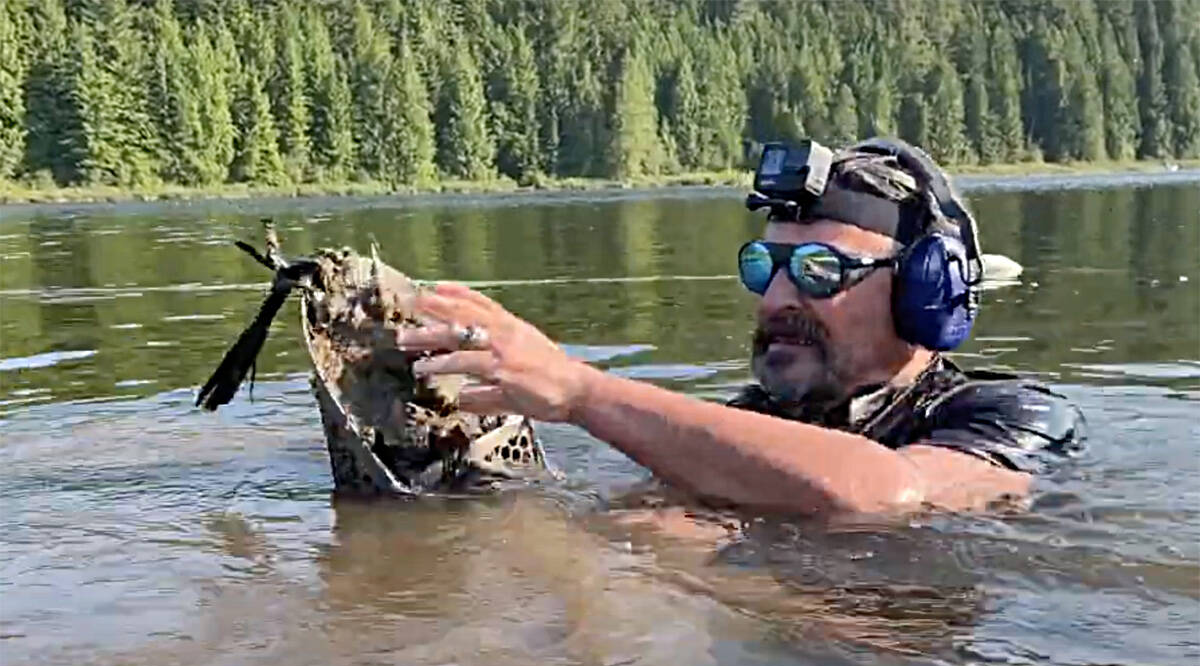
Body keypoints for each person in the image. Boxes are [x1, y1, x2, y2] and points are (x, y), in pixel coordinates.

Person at [391, 137, 1084, 515]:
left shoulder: (1014, 415)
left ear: (923, 293)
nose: (776, 297)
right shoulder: (745, 422)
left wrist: (579, 393)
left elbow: (887, 493)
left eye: (818, 271)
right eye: (764, 266)